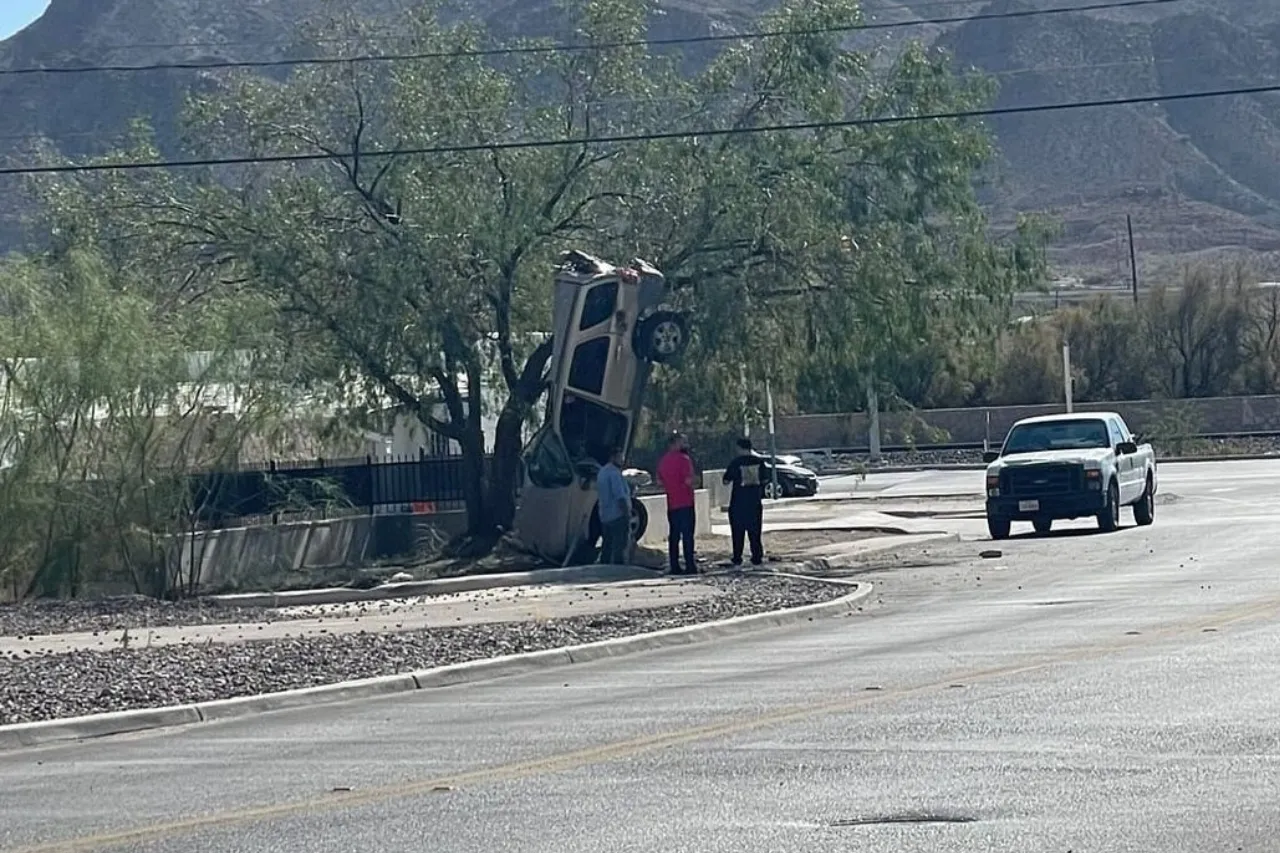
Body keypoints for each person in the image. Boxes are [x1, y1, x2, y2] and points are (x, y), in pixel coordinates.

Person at [656, 431, 698, 575]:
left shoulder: (663, 461)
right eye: (682, 441)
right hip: (685, 502)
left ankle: (675, 565)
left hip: (672, 503)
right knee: (687, 535)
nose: (685, 444)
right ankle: (690, 565)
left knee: (674, 535)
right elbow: (689, 481)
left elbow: (659, 481)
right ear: (674, 443)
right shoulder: (684, 459)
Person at [722, 437, 767, 567]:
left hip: (738, 502)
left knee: (738, 532)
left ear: (740, 448)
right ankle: (757, 556)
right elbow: (764, 479)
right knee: (755, 531)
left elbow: (726, 481)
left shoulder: (736, 462)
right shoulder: (759, 462)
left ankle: (737, 557)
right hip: (754, 501)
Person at [596, 446, 632, 565]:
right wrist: (626, 513)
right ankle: (618, 568)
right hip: (617, 515)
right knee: (619, 546)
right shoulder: (614, 474)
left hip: (605, 515)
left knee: (607, 544)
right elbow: (619, 496)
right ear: (613, 457)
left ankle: (604, 567)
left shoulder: (602, 472)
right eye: (620, 457)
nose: (622, 459)